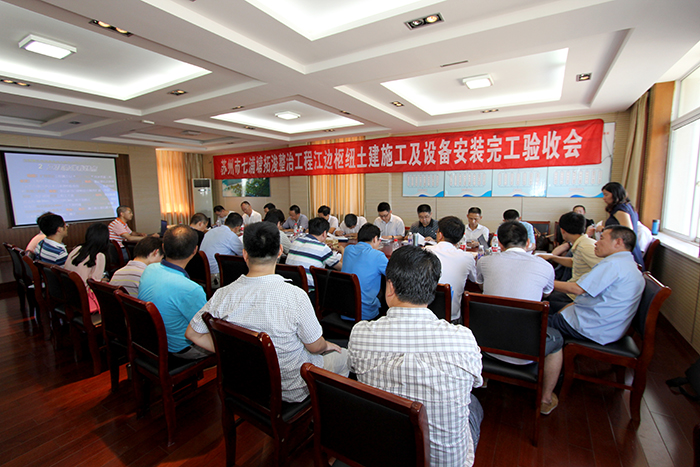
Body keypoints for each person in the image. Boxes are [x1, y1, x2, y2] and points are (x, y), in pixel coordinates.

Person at [349, 246, 483, 467]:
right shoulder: (463, 339)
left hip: (381, 454)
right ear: (432, 289)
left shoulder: (361, 334)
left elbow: (353, 368)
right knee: (474, 404)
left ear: (390, 287)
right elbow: (476, 381)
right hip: (445, 463)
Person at [186, 222, 349, 403]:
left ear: (245, 254)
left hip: (245, 382)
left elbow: (193, 333)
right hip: (293, 387)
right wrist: (326, 345)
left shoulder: (223, 295)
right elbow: (315, 347)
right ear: (280, 251)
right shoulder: (295, 296)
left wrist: (231, 350)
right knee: (345, 356)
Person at [476, 221, 562, 415]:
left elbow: (481, 286)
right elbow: (547, 294)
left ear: (499, 242)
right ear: (528, 242)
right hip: (527, 349)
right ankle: (546, 399)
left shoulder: (485, 262)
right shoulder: (545, 266)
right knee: (557, 340)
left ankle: (483, 378)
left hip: (485, 342)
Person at [550, 225, 645, 346]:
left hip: (590, 328)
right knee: (547, 309)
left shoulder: (613, 265)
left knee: (533, 321)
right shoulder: (626, 263)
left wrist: (544, 281)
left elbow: (577, 289)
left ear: (618, 242)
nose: (596, 243)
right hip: (603, 325)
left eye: (602, 238)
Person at [138, 225, 209, 359]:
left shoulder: (149, 269)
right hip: (179, 349)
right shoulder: (191, 289)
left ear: (163, 247)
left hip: (150, 342)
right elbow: (206, 327)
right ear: (195, 250)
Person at [539, 212, 602, 313]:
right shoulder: (583, 243)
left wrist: (544, 281)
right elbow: (574, 262)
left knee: (541, 300)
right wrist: (552, 257)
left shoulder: (585, 247)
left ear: (562, 230)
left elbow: (603, 269)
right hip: (574, 291)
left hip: (576, 296)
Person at [425, 216, 476, 323]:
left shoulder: (426, 251)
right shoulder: (467, 257)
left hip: (427, 314)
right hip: (452, 319)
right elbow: (474, 280)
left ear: (440, 235)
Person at [341, 224, 388, 321]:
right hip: (365, 314)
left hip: (344, 310)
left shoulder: (348, 250)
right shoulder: (378, 256)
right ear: (375, 239)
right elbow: (394, 274)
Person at [64, 223, 110, 313]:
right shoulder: (99, 256)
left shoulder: (77, 248)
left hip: (69, 292)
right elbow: (95, 283)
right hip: (83, 296)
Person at [286, 217, 342, 289]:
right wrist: (343, 250)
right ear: (324, 233)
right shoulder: (323, 248)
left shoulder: (296, 241)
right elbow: (341, 268)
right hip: (309, 290)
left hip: (290, 287)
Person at [598, 182, 644, 267]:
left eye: (606, 195)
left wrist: (603, 229)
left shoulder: (620, 210)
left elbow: (627, 231)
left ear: (615, 194)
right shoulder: (626, 206)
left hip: (625, 250)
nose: (604, 198)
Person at [200, 212, 244, 286]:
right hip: (217, 277)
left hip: (202, 274)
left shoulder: (210, 232)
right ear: (237, 228)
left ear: (226, 220)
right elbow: (243, 254)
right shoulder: (231, 236)